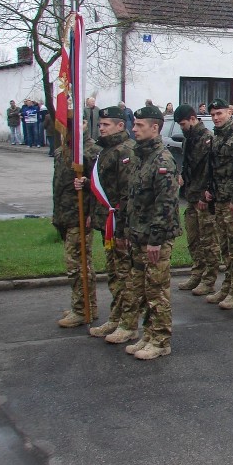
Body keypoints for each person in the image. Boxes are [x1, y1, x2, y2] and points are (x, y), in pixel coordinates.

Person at [116, 106, 181, 360]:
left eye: (140, 125)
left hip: (156, 238)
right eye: (134, 124)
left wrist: (156, 240)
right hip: (138, 234)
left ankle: (161, 340)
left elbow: (165, 204)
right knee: (143, 288)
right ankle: (149, 333)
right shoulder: (140, 157)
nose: (134, 129)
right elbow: (132, 199)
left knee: (157, 290)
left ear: (155, 128)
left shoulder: (162, 160)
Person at [76, 106, 138, 342]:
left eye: (105, 125)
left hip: (119, 224)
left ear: (120, 126)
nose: (100, 128)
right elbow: (102, 187)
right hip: (107, 222)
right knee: (114, 274)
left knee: (125, 275)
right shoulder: (106, 151)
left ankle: (128, 323)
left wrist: (122, 228)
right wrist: (94, 213)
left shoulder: (125, 151)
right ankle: (116, 317)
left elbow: (125, 195)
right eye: (100, 125)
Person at [53, 117, 100, 328]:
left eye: (78, 123)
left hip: (80, 215)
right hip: (65, 214)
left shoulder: (89, 151)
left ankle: (82, 309)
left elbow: (97, 186)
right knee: (79, 264)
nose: (72, 128)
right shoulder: (62, 151)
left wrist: (90, 213)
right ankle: (85, 304)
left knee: (78, 265)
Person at [173, 105, 221, 296]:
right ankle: (197, 272)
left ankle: (209, 279)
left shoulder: (207, 139)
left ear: (193, 119)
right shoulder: (189, 140)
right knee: (193, 239)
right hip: (191, 195)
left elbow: (211, 170)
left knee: (208, 241)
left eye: (183, 123)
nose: (182, 128)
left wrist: (205, 194)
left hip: (203, 198)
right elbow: (189, 165)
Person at [205, 98, 233, 310]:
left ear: (229, 113)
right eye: (213, 115)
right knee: (224, 246)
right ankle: (227, 285)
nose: (216, 118)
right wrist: (209, 189)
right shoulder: (215, 138)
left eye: (219, 114)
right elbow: (213, 169)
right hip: (220, 199)